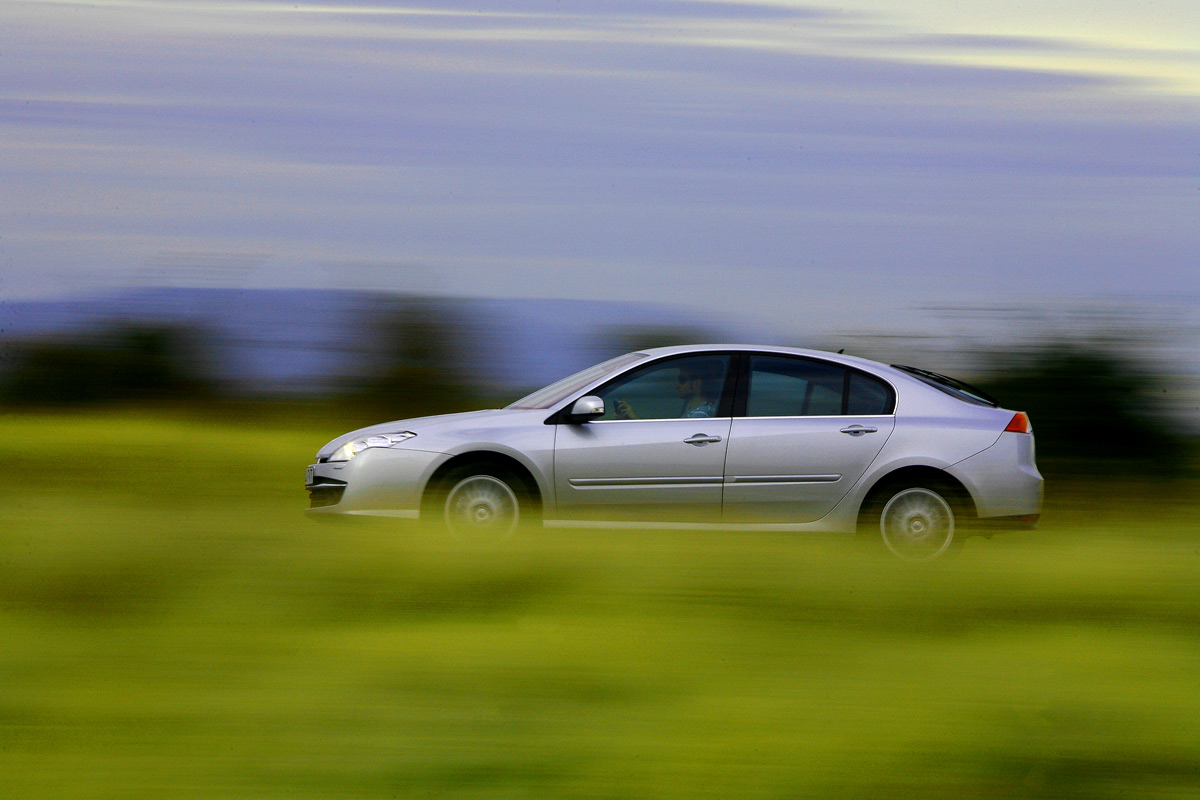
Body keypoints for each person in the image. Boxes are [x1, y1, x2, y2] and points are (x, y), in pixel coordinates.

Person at [614, 358, 723, 419]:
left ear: (696, 384)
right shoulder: (692, 409)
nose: (677, 385)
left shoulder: (700, 416)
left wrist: (634, 418)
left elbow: (670, 443)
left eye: (682, 380)